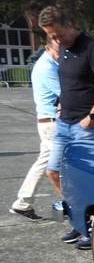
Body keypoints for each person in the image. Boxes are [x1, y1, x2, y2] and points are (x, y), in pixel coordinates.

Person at [39, 6, 94, 249]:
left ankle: (93, 225)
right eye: (51, 36)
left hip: (86, 125)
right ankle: (78, 217)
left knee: (88, 178)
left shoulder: (91, 47)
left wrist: (92, 116)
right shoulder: (62, 48)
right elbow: (68, 83)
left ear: (70, 25)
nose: (57, 40)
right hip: (64, 122)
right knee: (53, 171)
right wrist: (60, 106)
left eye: (59, 34)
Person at [9, 39, 61, 220]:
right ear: (47, 48)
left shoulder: (49, 64)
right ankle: (73, 204)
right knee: (57, 165)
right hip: (53, 122)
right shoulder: (47, 68)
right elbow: (67, 94)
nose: (62, 54)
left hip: (48, 122)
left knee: (45, 162)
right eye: (58, 51)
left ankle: (23, 202)